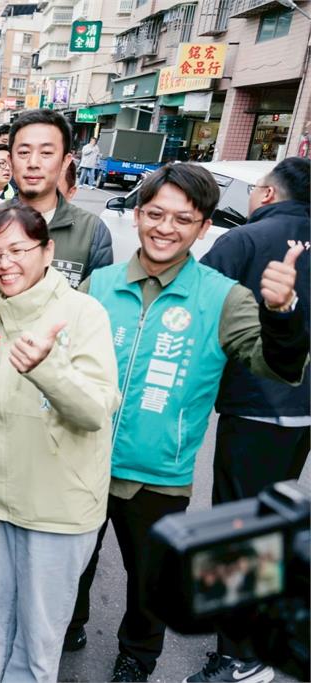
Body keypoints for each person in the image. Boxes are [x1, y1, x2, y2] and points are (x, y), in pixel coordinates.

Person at [69, 163, 308, 682]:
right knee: (74, 562)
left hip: (159, 472)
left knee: (149, 578)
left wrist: (284, 311)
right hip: (81, 463)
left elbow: (280, 366)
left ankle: (137, 655)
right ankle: (71, 623)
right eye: (155, 213)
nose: (165, 227)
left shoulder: (223, 297)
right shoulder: (98, 285)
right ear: (137, 216)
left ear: (203, 228)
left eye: (183, 218)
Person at [0, 205, 120, 682]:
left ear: (47, 251)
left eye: (18, 250)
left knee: (37, 638)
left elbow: (94, 410)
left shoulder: (83, 313)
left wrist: (47, 368)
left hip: (57, 512)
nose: (5, 264)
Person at [184, 156, 310, 683]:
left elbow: (193, 307)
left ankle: (243, 657)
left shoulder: (244, 241)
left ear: (265, 194)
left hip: (257, 403)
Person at [0, 109, 113, 388]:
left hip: (52, 390)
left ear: (66, 161)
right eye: (24, 152)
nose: (33, 163)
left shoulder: (91, 232)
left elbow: (96, 320)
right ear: (10, 159)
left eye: (47, 153)